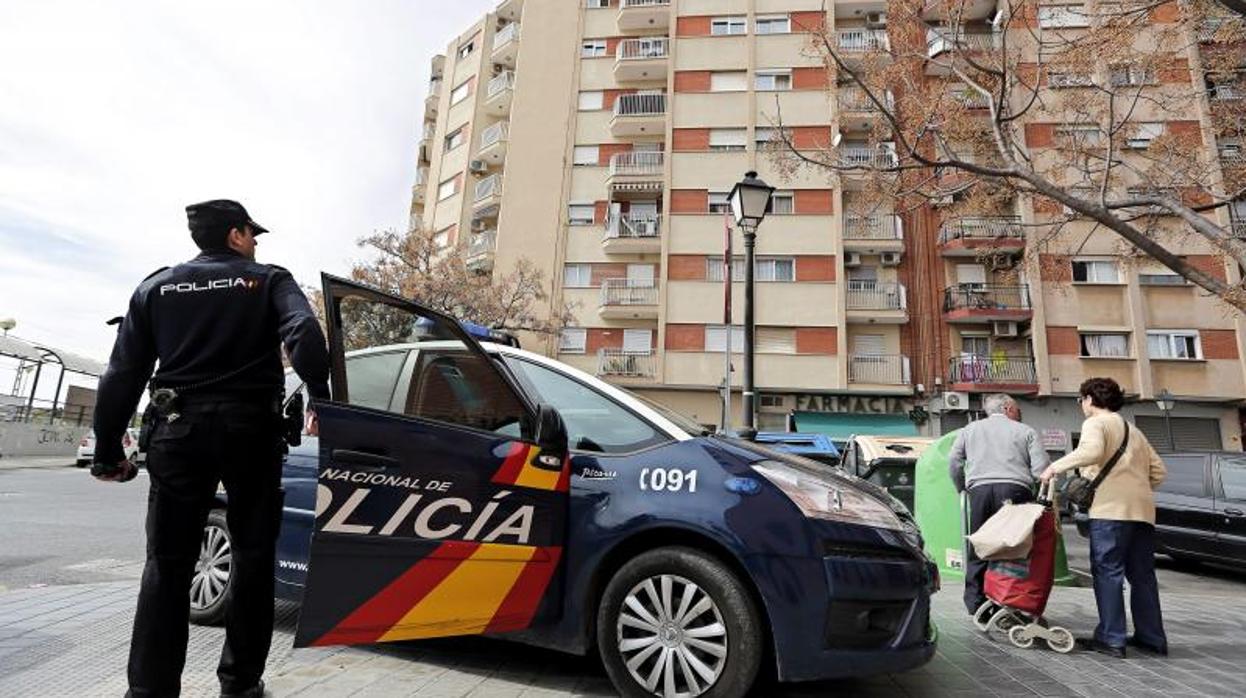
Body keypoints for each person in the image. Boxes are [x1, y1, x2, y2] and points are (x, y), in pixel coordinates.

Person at [92, 199, 330, 697]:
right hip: (250, 435)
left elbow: (122, 372)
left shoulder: (156, 286)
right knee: (253, 556)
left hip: (177, 433)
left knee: (167, 563)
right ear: (236, 235)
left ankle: (150, 691)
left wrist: (109, 449)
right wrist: (319, 398)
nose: (257, 243)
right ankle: (240, 685)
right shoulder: (267, 280)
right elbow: (305, 332)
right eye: (253, 233)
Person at [1040, 377, 1167, 659]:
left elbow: (1092, 451)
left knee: (1108, 573)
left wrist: (1054, 468)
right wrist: (1134, 488)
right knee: (1143, 577)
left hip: (1111, 512)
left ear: (1088, 399)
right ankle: (1152, 638)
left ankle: (1112, 638)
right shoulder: (1134, 430)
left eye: (1080, 400)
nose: (1081, 405)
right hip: (1143, 513)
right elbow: (1159, 472)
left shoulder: (1095, 423)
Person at [948, 393, 1049, 614]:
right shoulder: (1026, 431)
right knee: (1013, 548)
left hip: (980, 491)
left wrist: (961, 487)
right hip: (1015, 490)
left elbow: (954, 461)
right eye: (1017, 408)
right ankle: (1009, 602)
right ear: (1007, 408)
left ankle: (976, 606)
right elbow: (1041, 470)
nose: (1019, 412)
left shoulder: (969, 430)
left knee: (980, 545)